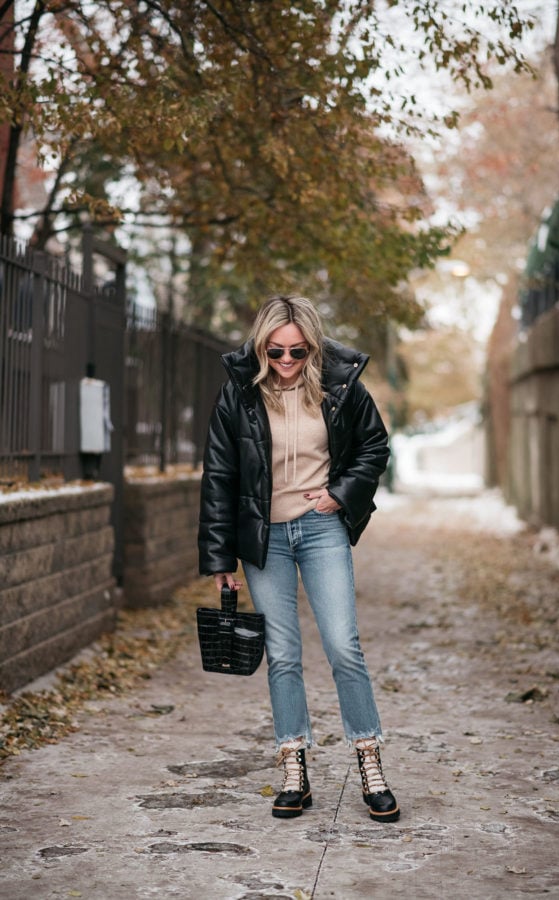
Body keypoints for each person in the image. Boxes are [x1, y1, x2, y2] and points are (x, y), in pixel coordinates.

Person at [198, 295, 399, 823]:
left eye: (298, 352)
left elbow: (374, 446)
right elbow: (219, 477)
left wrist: (340, 493)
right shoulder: (239, 392)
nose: (287, 362)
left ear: (313, 346)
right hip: (264, 538)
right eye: (276, 351)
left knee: (342, 646)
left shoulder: (339, 385)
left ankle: (369, 762)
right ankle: (294, 766)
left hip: (320, 528)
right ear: (262, 346)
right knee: (284, 653)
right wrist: (220, 555)